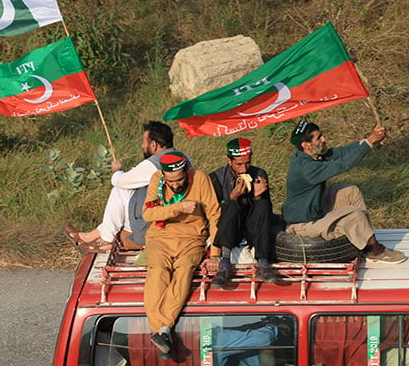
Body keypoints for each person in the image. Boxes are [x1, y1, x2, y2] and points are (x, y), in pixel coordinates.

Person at [281, 120, 407, 264]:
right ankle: (374, 250)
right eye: (319, 138)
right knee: (354, 213)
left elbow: (342, 152)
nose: (324, 139)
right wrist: (371, 141)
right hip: (303, 224)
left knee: (350, 191)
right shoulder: (306, 167)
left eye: (322, 135)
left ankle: (366, 241)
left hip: (315, 209)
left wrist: (372, 140)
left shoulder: (309, 155)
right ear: (306, 145)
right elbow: (342, 164)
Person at [142, 151, 221, 359]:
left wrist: (215, 254)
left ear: (186, 172)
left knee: (185, 271)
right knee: (157, 272)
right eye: (171, 181)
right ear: (164, 176)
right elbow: (148, 213)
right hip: (160, 237)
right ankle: (163, 330)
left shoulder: (200, 178)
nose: (175, 185)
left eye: (179, 180)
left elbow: (214, 216)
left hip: (192, 238)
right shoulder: (157, 180)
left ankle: (161, 330)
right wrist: (178, 208)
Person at [63, 121, 184, 252]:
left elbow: (121, 181)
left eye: (144, 142)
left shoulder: (156, 163)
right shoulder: (182, 156)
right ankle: (94, 235)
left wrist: (117, 171)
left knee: (120, 190)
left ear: (153, 145)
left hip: (159, 214)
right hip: (173, 207)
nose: (142, 146)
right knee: (128, 194)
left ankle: (105, 239)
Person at [209, 138, 277, 287]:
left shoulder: (259, 174)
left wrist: (257, 197)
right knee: (232, 206)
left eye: (247, 162)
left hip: (252, 228)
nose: (244, 168)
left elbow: (266, 212)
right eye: (239, 164)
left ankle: (263, 263)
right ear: (229, 160)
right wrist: (233, 198)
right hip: (229, 229)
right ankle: (225, 263)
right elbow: (214, 213)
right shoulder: (217, 178)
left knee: (263, 204)